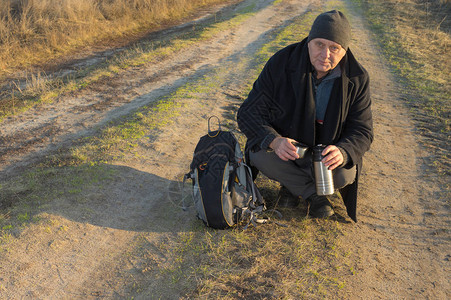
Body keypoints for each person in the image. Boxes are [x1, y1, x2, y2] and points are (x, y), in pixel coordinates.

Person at [237, 10, 373, 221]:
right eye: (319, 44)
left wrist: (343, 152)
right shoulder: (282, 63)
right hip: (287, 153)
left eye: (334, 48)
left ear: (344, 51)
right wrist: (274, 141)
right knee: (259, 153)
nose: (325, 54)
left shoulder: (357, 78)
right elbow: (248, 112)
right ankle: (314, 196)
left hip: (324, 157)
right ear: (309, 41)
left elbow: (362, 130)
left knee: (346, 173)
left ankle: (292, 187)